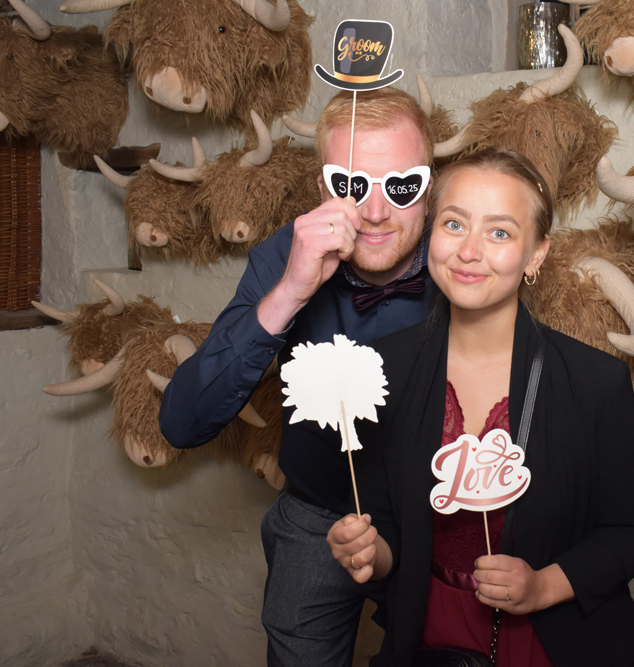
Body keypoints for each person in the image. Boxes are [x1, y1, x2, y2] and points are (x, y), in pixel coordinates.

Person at [327, 148, 634, 666]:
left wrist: (544, 585)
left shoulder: (597, 382)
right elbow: (392, 527)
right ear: (429, 233)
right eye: (454, 223)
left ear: (536, 255)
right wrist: (374, 555)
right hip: (426, 626)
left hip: (551, 640)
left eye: (500, 233)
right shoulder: (380, 371)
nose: (469, 251)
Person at [159, 87, 438, 667]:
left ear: (429, 188)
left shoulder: (465, 256)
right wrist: (289, 291)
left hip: (439, 517)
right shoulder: (285, 254)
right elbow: (182, 422)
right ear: (323, 190)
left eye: (402, 186)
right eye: (352, 186)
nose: (377, 212)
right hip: (318, 513)